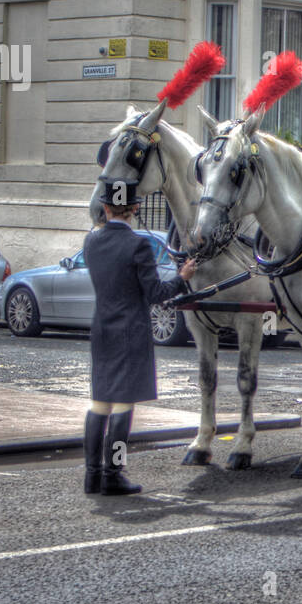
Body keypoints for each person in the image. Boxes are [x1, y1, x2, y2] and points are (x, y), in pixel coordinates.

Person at [82, 188, 196, 495]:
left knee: (99, 404)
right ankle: (114, 474)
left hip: (102, 329)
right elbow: (156, 293)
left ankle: (92, 475)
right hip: (130, 330)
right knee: (122, 406)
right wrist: (182, 277)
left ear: (105, 207)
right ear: (134, 209)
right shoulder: (138, 244)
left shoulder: (91, 241)